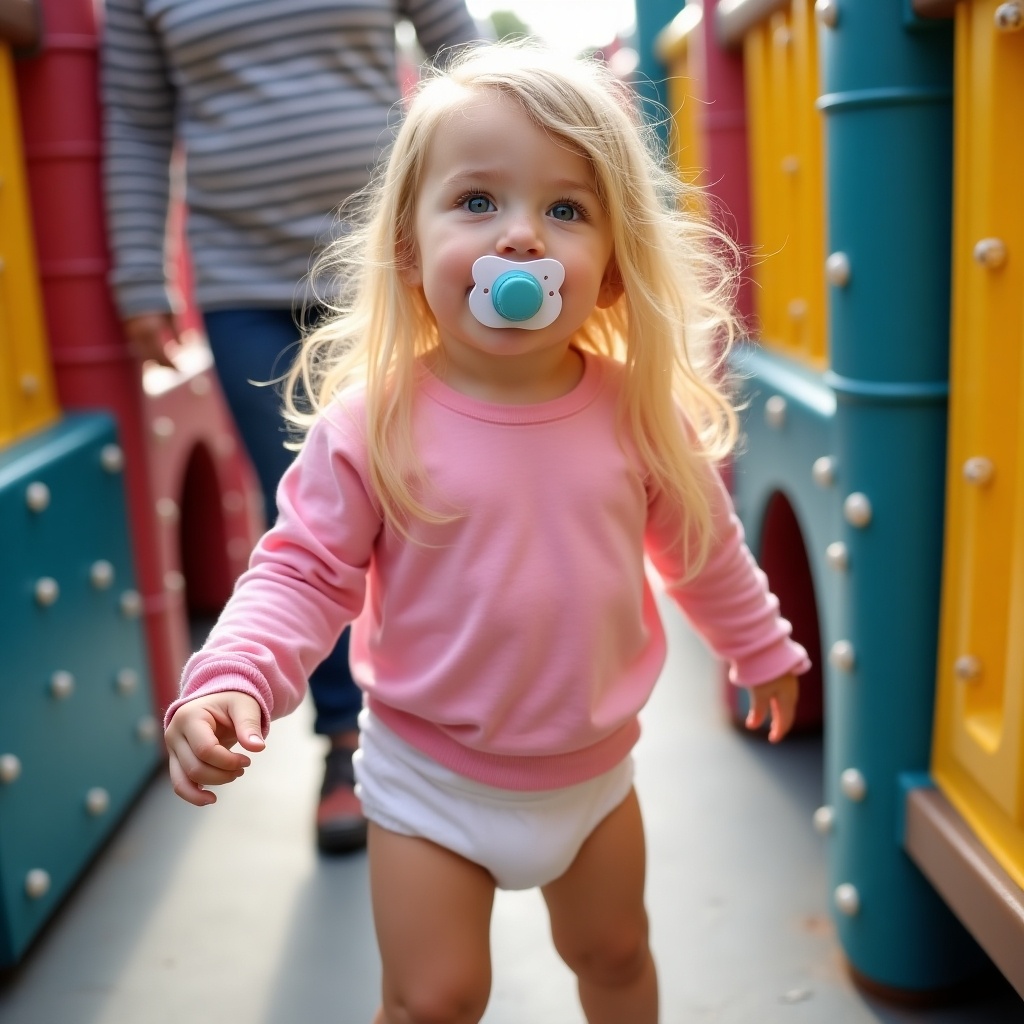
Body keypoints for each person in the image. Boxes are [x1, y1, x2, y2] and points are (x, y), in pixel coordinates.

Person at [163, 43, 811, 1024]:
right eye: (477, 202)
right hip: (430, 777)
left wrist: (758, 643)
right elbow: (300, 572)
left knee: (615, 951)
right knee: (434, 996)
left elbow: (704, 546)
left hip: (592, 772)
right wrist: (233, 676)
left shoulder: (636, 417)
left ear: (607, 272)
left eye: (565, 209)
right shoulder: (373, 424)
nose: (521, 239)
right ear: (408, 253)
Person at [100, 0, 484, 854]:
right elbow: (135, 116)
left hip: (389, 259)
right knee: (311, 516)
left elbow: (461, 46)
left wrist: (484, 192)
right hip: (241, 277)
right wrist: (138, 270)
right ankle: (346, 742)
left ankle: (449, 710)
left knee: (427, 488)